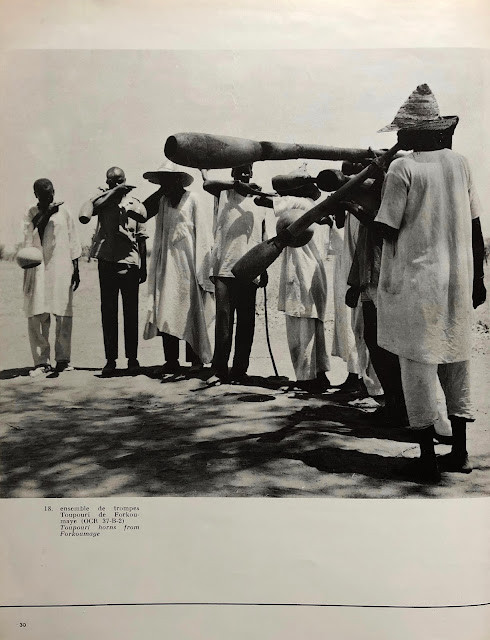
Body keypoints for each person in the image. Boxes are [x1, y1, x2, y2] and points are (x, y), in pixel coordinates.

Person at [374, 84, 486, 481]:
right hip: (456, 280)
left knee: (417, 366)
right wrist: (479, 277)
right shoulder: (461, 163)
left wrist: (363, 201)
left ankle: (426, 457)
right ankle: (460, 452)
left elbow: (386, 227)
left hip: (417, 281)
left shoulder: (401, 168)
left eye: (404, 132)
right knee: (456, 361)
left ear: (418, 133)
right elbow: (474, 224)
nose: (400, 138)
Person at [256, 166, 332, 393]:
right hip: (316, 273)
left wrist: (264, 194)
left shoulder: (299, 204)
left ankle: (306, 378)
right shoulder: (317, 208)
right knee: (313, 325)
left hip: (301, 273)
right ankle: (319, 374)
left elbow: (263, 202)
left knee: (300, 328)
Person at [143, 161, 214, 374]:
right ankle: (171, 361)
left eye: (167, 180)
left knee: (191, 310)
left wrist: (203, 269)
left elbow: (202, 234)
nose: (164, 185)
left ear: (177, 180)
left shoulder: (192, 199)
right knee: (167, 308)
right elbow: (147, 219)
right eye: (161, 181)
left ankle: (195, 360)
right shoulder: (163, 201)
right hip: (169, 266)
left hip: (189, 267)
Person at [202, 164, 268, 384]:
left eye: (248, 170)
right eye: (239, 170)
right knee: (223, 322)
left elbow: (264, 238)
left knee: (247, 322)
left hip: (250, 269)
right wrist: (238, 185)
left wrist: (264, 267)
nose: (244, 173)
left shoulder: (259, 201)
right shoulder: (224, 194)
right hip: (224, 269)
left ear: (252, 173)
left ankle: (240, 370)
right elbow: (207, 183)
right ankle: (220, 370)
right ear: (232, 174)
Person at [79, 167, 147, 375]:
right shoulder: (102, 201)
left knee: (130, 312)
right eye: (112, 181)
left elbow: (142, 234)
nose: (117, 184)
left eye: (120, 181)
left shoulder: (134, 203)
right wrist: (111, 194)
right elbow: (89, 211)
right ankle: (110, 360)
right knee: (108, 312)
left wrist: (143, 265)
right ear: (107, 182)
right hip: (107, 262)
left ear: (126, 180)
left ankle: (132, 359)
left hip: (129, 262)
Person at [23, 178, 81, 376]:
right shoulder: (31, 212)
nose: (50, 198)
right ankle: (41, 362)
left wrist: (77, 268)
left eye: (52, 193)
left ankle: (63, 359)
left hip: (61, 266)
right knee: (38, 313)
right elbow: (30, 236)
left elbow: (73, 241)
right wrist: (46, 214)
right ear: (36, 195)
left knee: (63, 312)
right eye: (45, 195)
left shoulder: (65, 212)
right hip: (37, 267)